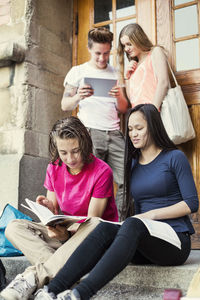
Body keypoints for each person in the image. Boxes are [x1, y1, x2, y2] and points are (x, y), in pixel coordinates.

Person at [34, 104, 199, 300]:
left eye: (139, 128)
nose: (133, 134)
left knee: (133, 223)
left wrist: (150, 216)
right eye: (129, 129)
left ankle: (79, 294)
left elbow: (191, 203)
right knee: (103, 228)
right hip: (145, 238)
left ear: (153, 127)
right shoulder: (132, 164)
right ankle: (51, 290)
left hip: (175, 240)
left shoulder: (174, 157)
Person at [1, 116, 118, 300]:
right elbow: (54, 214)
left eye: (76, 151)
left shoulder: (102, 171)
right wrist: (48, 209)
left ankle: (32, 277)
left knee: (95, 224)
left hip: (92, 238)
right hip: (66, 234)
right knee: (13, 227)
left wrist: (66, 235)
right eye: (63, 152)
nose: (70, 158)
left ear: (85, 144)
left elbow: (92, 221)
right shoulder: (54, 168)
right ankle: (66, 270)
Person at [61, 27, 129, 216]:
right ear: (89, 49)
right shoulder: (77, 71)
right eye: (98, 53)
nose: (102, 58)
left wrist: (118, 96)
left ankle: (122, 224)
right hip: (89, 133)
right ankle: (89, 226)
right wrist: (78, 97)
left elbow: (123, 108)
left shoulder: (116, 73)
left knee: (127, 178)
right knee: (90, 182)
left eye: (106, 53)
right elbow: (65, 104)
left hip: (114, 133)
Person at [118, 23, 170, 109]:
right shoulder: (133, 65)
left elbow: (163, 82)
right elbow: (132, 98)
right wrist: (127, 77)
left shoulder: (155, 52)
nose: (126, 49)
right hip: (139, 115)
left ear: (139, 40)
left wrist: (153, 112)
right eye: (124, 46)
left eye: (129, 44)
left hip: (154, 113)